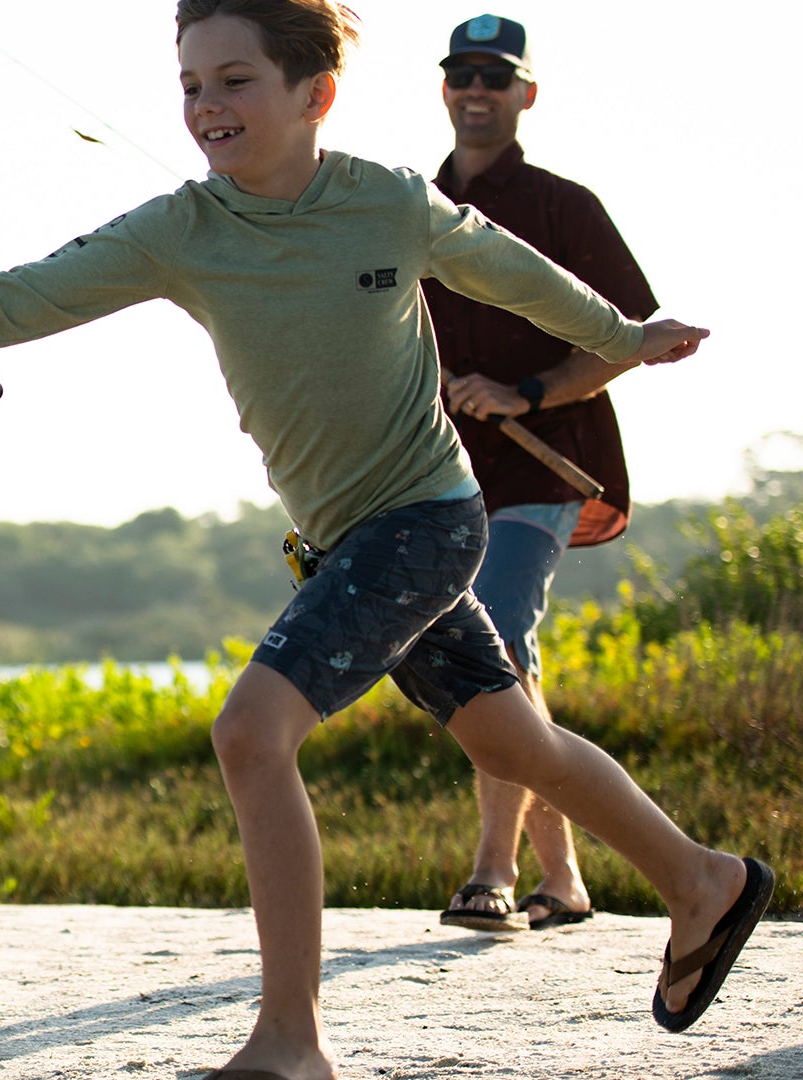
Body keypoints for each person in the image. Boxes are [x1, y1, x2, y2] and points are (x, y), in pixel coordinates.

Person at [0, 3, 772, 1077]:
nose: (206, 106)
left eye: (234, 81)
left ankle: (291, 1041)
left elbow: (513, 271)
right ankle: (703, 882)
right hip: (342, 538)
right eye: (192, 85)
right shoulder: (183, 230)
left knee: (253, 733)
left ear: (315, 95)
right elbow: (24, 293)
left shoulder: (386, 201)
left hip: (430, 519)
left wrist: (623, 339)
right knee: (513, 745)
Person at [425, 13, 664, 936]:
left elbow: (628, 338)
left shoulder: (567, 205)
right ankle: (562, 874)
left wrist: (524, 390)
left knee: (494, 636)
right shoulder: (415, 205)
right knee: (512, 661)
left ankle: (493, 866)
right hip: (438, 476)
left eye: (496, 78)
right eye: (462, 77)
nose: (477, 92)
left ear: (526, 93)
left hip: (547, 470)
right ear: (443, 90)